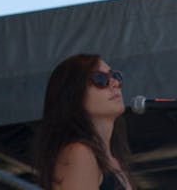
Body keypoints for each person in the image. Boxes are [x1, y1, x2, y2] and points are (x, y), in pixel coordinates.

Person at [32, 53, 137, 190]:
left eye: (116, 76)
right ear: (73, 94)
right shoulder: (80, 153)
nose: (115, 83)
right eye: (100, 79)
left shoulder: (113, 159)